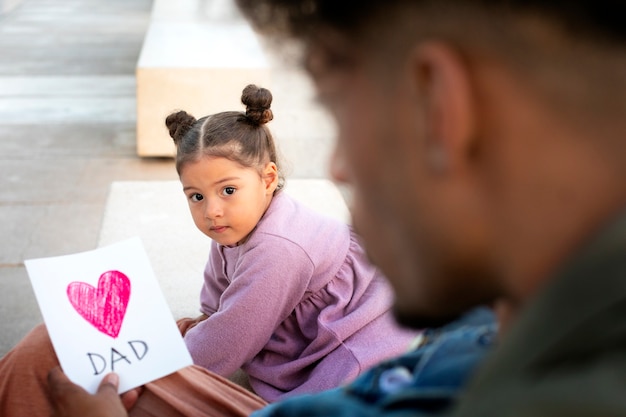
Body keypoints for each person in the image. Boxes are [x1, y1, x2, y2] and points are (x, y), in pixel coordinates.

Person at [4, 0, 625, 416]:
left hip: (324, 371)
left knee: (47, 363)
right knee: (54, 348)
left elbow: (232, 336)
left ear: (439, 110)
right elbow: (219, 307)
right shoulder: (509, 319)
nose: (339, 170)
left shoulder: (555, 388)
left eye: (338, 112)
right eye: (197, 195)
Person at [163, 84, 416, 401]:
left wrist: (166, 365)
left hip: (361, 329)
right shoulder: (232, 223)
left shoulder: (279, 248)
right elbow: (218, 300)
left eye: (228, 190)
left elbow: (230, 338)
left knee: (324, 401)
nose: (211, 210)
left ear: (268, 179)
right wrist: (204, 323)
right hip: (317, 312)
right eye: (196, 196)